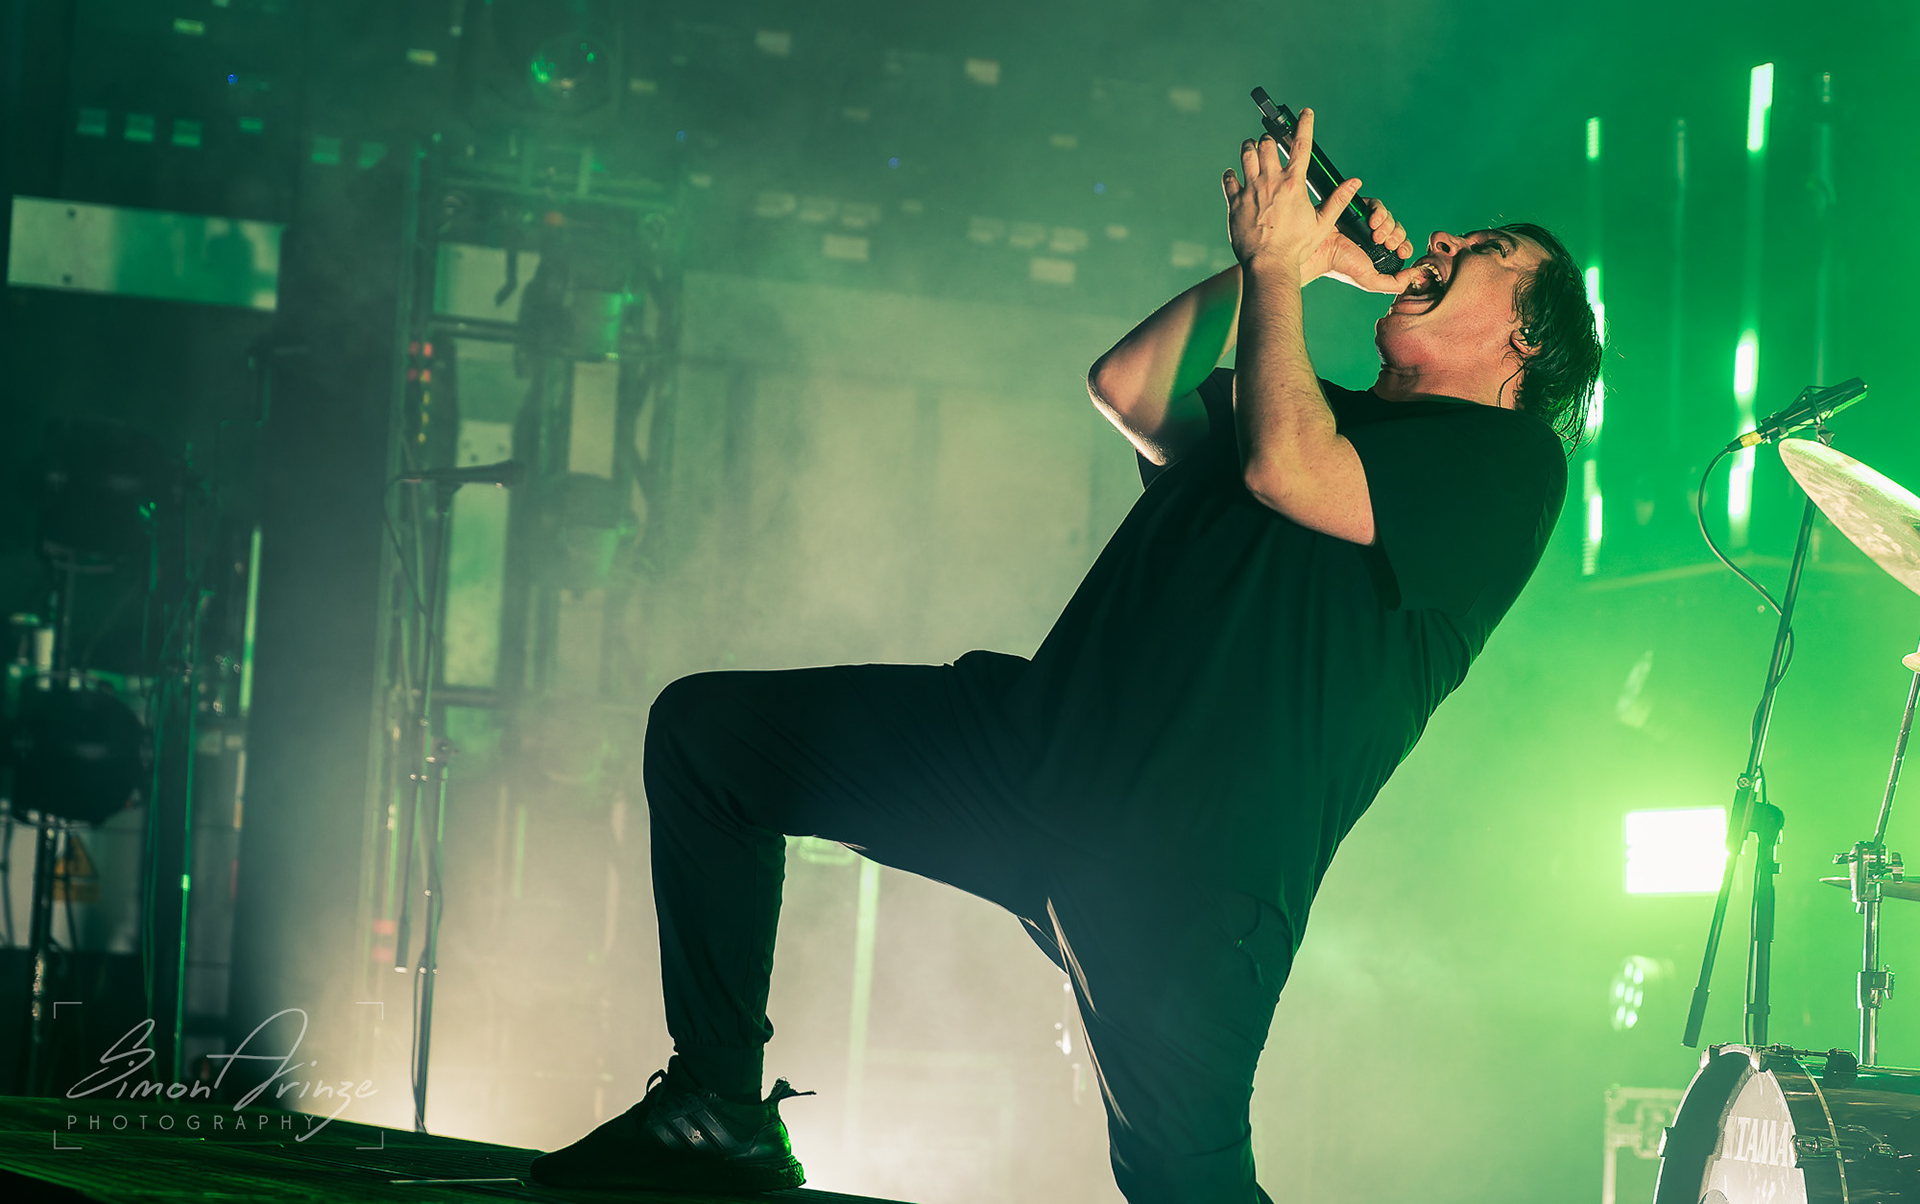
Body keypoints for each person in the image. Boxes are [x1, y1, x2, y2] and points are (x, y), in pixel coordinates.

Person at [529, 109, 1602, 1203]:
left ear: (1530, 338)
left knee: (1186, 1191)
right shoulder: (1309, 399)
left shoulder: (1509, 462)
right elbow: (1129, 385)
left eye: (1487, 255)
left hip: (1189, 875)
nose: (1445, 246)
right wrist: (1276, 270)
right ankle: (717, 1105)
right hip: (1026, 751)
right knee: (710, 739)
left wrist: (1280, 268)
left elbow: (1291, 470)